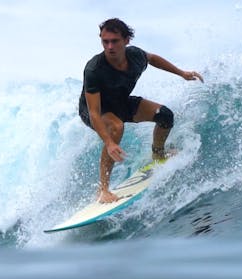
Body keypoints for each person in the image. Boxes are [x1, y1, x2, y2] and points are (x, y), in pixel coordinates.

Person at [79, 18, 203, 203]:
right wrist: (109, 143)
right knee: (116, 127)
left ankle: (158, 154)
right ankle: (103, 190)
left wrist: (182, 73)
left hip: (121, 102)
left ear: (127, 40)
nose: (110, 46)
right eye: (105, 41)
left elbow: (152, 58)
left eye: (115, 41)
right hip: (93, 110)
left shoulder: (135, 56)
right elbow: (94, 112)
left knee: (165, 116)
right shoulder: (94, 69)